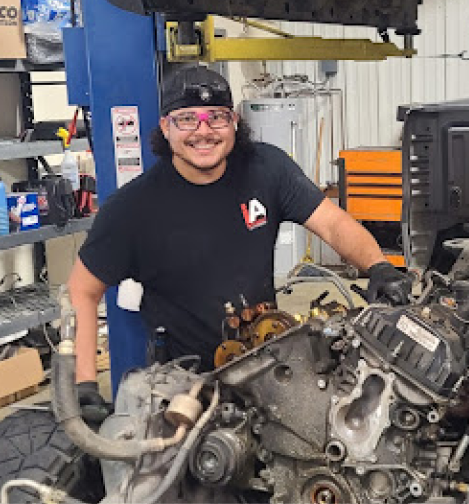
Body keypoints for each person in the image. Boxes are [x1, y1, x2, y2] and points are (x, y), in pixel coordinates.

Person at [67, 65, 412, 411]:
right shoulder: (133, 208)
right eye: (187, 119)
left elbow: (333, 223)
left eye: (216, 117)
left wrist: (378, 266)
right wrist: (84, 382)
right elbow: (83, 288)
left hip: (268, 367)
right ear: (166, 128)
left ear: (233, 121)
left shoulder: (267, 169)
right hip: (187, 388)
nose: (203, 131)